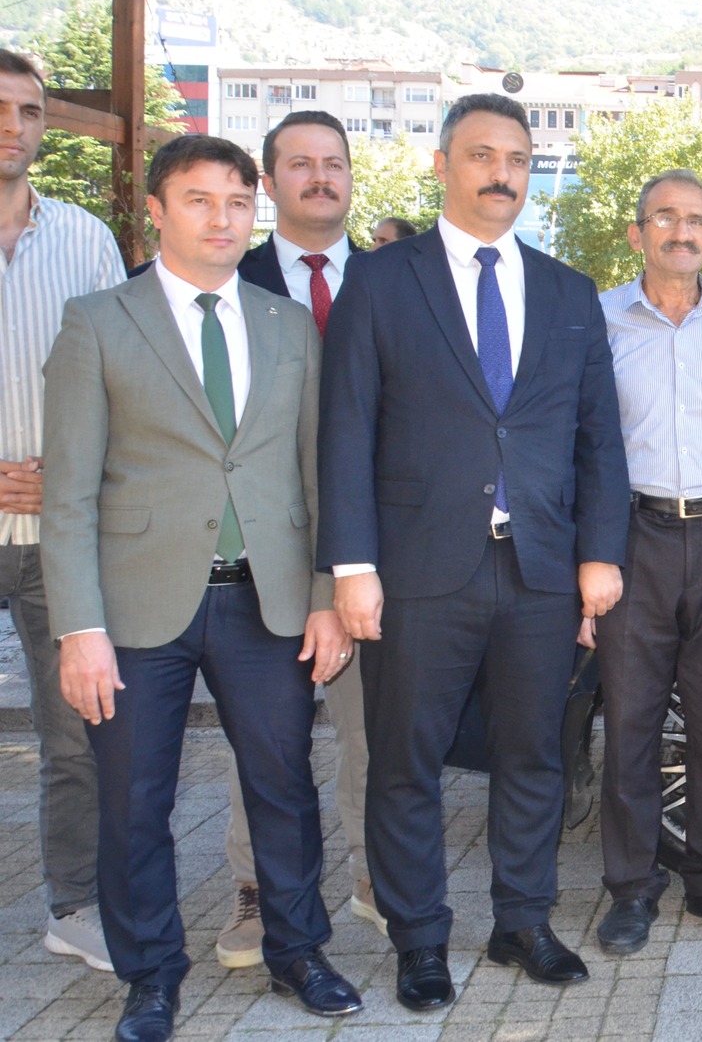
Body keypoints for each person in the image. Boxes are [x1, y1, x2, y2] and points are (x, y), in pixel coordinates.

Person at [43, 135, 361, 1042]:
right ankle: (149, 974)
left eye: (236, 201)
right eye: (198, 200)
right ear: (157, 209)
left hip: (266, 601)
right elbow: (67, 493)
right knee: (136, 800)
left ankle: (298, 951)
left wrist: (326, 594)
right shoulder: (99, 321)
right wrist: (79, 628)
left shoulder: (284, 324)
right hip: (135, 609)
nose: (222, 219)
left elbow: (315, 474)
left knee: (284, 786)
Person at [319, 93, 630, 1010]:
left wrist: (599, 556)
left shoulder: (570, 291)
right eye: (483, 155)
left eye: (519, 158)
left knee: (533, 754)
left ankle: (523, 922)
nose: (503, 173)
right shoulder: (382, 281)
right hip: (415, 570)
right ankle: (419, 940)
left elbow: (598, 441)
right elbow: (345, 431)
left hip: (539, 569)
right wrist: (352, 565)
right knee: (406, 761)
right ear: (444, 164)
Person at [214, 110, 382, 968]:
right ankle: (257, 890)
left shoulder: (399, 279)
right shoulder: (222, 280)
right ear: (269, 180)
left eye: (335, 163)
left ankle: (374, 878)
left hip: (371, 550)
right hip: (262, 550)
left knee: (372, 730)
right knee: (268, 735)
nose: (321, 178)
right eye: (300, 164)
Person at [593, 170, 702, 955]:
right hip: (634, 539)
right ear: (637, 234)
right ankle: (632, 889)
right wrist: (586, 560)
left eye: (696, 220)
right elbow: (578, 449)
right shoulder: (596, 321)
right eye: (663, 217)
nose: (680, 231)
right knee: (630, 721)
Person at [0, 48, 125, 974]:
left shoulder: (85, 239)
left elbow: (132, 376)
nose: (14, 125)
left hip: (57, 534)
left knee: (73, 735)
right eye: (0, 107)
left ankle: (75, 906)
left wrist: (78, 468)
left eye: (29, 111)